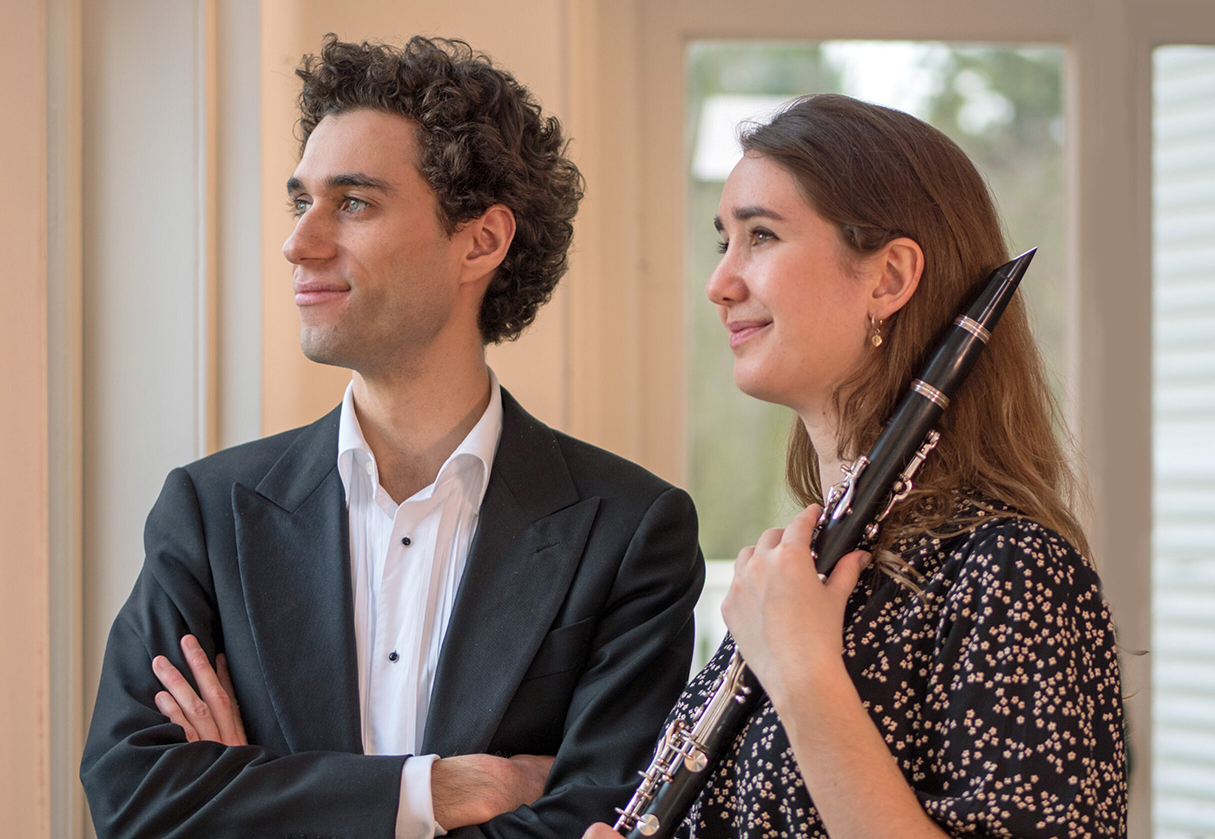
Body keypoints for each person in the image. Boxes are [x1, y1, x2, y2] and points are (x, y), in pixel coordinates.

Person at [80, 35, 704, 839]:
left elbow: (598, 819)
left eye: (353, 202)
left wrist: (255, 796)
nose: (299, 242)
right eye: (300, 200)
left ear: (480, 240)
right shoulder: (208, 512)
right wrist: (433, 793)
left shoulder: (629, 531)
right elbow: (136, 801)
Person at [585, 94, 1126, 839]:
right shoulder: (806, 568)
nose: (721, 283)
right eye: (724, 243)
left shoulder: (1013, 571)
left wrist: (807, 677)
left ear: (889, 277)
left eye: (762, 236)